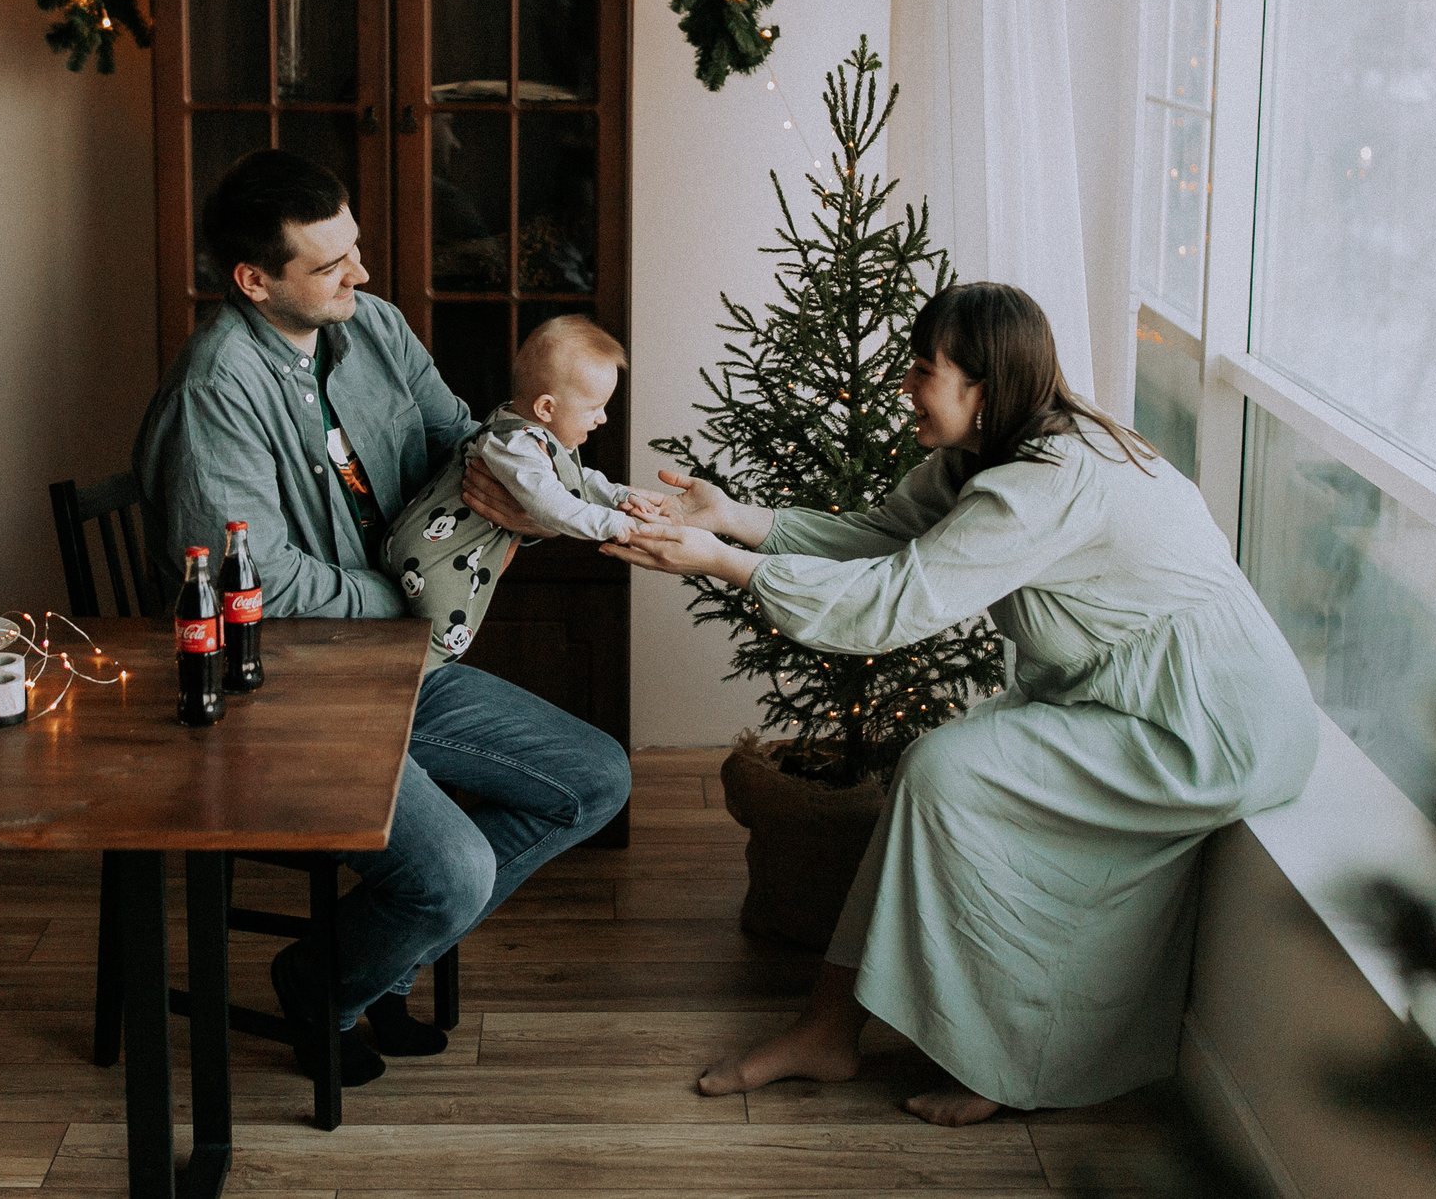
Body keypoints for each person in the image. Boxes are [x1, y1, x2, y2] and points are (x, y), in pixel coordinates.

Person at [606, 282, 1318, 1125]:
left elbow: (890, 604)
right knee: (937, 772)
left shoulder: (1044, 483)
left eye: (922, 370)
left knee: (946, 770)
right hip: (1130, 698)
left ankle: (983, 1056)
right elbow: (885, 539)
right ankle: (830, 1026)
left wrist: (722, 565)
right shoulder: (987, 457)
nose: (903, 386)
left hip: (1211, 722)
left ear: (983, 387)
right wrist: (734, 520)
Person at [133, 148, 632, 1088]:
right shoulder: (216, 389)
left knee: (596, 778)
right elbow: (261, 584)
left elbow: (468, 442)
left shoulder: (376, 328)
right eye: (329, 265)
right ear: (253, 281)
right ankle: (338, 977)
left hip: (404, 666)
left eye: (354, 249)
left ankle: (356, 967)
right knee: (453, 873)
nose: (360, 274)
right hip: (287, 690)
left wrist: (540, 502)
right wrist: (408, 593)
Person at [386, 315, 661, 668]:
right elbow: (552, 503)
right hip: (431, 556)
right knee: (446, 638)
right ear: (546, 408)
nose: (602, 418)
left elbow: (577, 478)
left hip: (427, 550)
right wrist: (615, 524)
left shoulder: (533, 436)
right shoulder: (514, 446)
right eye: (594, 408)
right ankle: (397, 684)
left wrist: (619, 495)